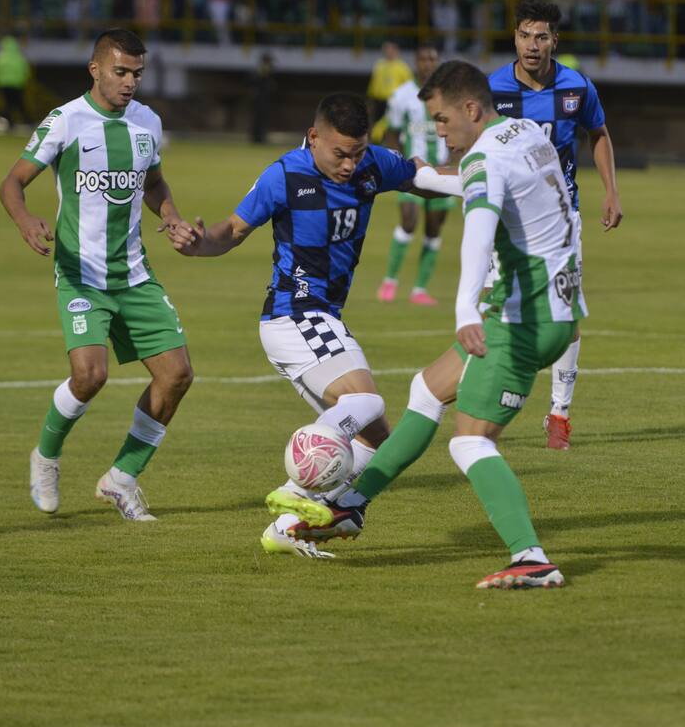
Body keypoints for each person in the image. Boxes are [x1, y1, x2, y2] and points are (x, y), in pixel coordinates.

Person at [281, 61, 586, 590]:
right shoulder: (528, 133)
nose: (439, 131)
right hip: (557, 310)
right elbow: (510, 196)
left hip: (518, 320)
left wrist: (466, 310)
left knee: (469, 443)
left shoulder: (485, 158)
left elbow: (479, 227)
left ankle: (531, 557)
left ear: (471, 109)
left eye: (443, 120)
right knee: (426, 389)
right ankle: (351, 504)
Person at [168, 93, 460, 558]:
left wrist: (484, 180)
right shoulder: (284, 176)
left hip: (321, 317)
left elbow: (421, 179)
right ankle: (295, 479)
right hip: (294, 313)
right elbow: (231, 232)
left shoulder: (372, 166)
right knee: (364, 399)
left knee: (375, 439)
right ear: (313, 137)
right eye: (340, 153)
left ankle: (287, 526)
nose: (349, 165)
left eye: (358, 152)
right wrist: (197, 243)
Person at [0, 28, 195, 522]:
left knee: (177, 376)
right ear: (96, 70)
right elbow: (13, 182)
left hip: (133, 273)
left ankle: (121, 479)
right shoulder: (66, 120)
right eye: (121, 72)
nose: (130, 82)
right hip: (80, 273)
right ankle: (46, 456)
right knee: (90, 376)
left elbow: (153, 182)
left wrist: (170, 215)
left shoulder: (148, 121)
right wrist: (25, 220)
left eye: (137, 74)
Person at [488, 0, 623, 450]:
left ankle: (559, 414)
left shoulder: (577, 88)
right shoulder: (494, 90)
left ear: (555, 41)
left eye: (541, 36)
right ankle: (488, 402)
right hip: (505, 220)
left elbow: (598, 134)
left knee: (566, 313)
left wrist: (611, 191)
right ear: (514, 38)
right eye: (525, 35)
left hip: (560, 220)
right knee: (497, 309)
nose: (532, 45)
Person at [375, 43, 453, 306]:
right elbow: (393, 135)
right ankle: (390, 280)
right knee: (408, 221)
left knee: (433, 228)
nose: (428, 63)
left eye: (433, 58)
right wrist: (394, 168)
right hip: (413, 172)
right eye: (423, 58)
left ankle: (419, 288)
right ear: (416, 63)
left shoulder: (450, 96)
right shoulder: (402, 96)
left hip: (443, 174)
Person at [366, 41, 412, 124]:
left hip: (395, 102)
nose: (388, 51)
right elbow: (373, 85)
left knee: (392, 124)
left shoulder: (402, 67)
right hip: (379, 101)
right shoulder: (379, 65)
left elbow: (409, 87)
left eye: (390, 49)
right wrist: (370, 103)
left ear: (396, 50)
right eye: (386, 49)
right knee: (377, 125)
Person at [0, 35, 31, 126]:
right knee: (19, 104)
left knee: (7, 105)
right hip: (17, 84)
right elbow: (26, 70)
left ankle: (9, 123)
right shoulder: (19, 56)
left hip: (3, 84)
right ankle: (27, 121)